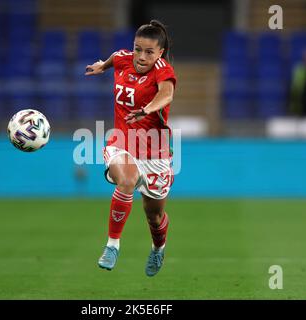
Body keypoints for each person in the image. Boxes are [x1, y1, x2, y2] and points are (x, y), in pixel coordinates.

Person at [85, 20, 177, 277]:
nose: (142, 56)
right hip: (122, 142)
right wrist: (102, 66)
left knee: (154, 217)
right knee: (126, 179)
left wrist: (147, 109)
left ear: (160, 52)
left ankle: (159, 248)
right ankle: (112, 245)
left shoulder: (163, 70)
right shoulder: (125, 58)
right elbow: (116, 57)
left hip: (155, 153)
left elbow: (166, 94)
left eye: (149, 52)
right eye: (138, 49)